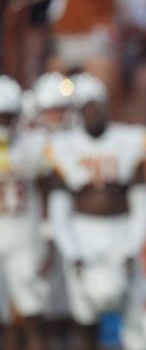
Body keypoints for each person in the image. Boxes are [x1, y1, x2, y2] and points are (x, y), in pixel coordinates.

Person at [45, 74, 146, 350]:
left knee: (134, 322)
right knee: (85, 321)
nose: (92, 113)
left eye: (96, 106)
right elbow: (58, 210)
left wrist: (131, 248)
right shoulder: (63, 146)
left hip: (121, 231)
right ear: (78, 111)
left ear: (106, 105)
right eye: (86, 108)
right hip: (83, 235)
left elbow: (141, 204)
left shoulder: (128, 140)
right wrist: (71, 252)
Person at [0, 75, 49, 350]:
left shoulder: (33, 145)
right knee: (5, 319)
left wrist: (46, 237)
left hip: (23, 237)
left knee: (32, 315)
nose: (3, 122)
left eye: (7, 116)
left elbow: (46, 192)